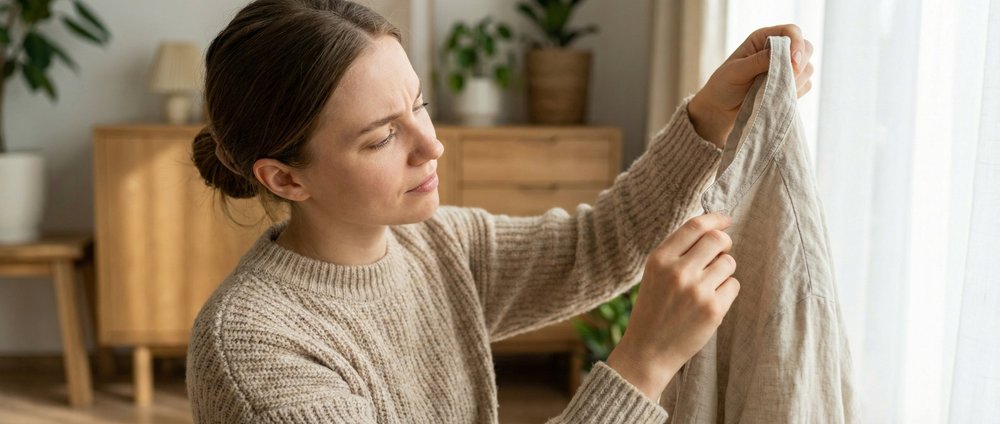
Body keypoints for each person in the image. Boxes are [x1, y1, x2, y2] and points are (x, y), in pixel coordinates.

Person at [186, 0, 815, 422]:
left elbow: (598, 243)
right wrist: (644, 362)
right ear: (285, 178)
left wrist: (708, 115)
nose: (432, 145)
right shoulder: (255, 350)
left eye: (420, 104)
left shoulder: (438, 244)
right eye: (381, 137)